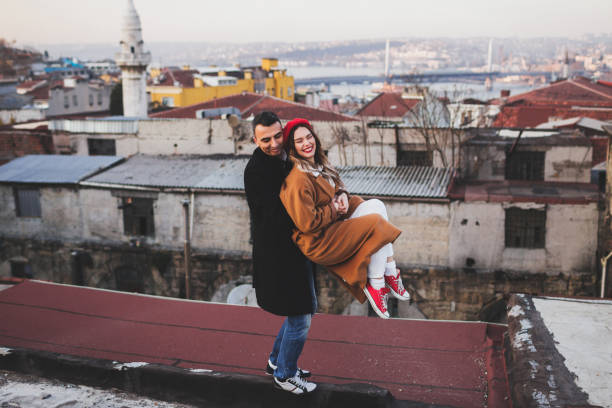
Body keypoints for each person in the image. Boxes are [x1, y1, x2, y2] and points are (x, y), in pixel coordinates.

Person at [279, 118, 411, 319]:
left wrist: (341, 194)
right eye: (299, 141)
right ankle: (376, 285)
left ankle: (390, 271)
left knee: (376, 206)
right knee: (376, 224)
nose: (306, 143)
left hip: (332, 224)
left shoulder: (318, 163)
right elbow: (306, 224)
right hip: (318, 240)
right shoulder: (298, 179)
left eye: (309, 137)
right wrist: (333, 208)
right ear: (292, 147)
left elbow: (336, 183)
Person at [243, 111, 317, 395]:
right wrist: (314, 216)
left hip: (295, 251)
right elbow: (277, 216)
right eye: (266, 139)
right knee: (301, 316)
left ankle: (276, 362)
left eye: (277, 136)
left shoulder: (284, 158)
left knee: (297, 313)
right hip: (279, 256)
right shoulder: (258, 171)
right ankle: (285, 374)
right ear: (255, 139)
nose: (274, 143)